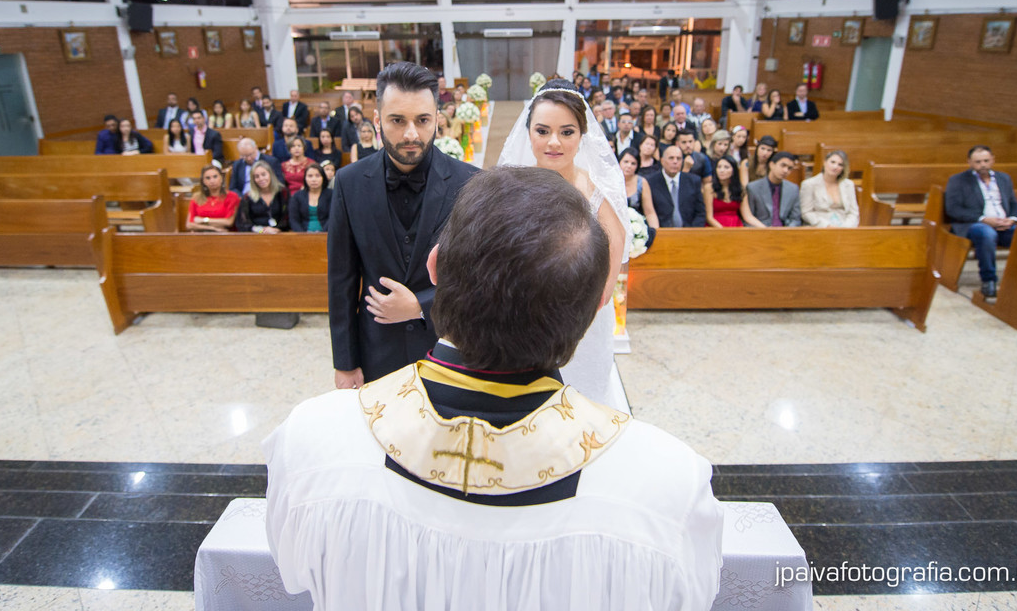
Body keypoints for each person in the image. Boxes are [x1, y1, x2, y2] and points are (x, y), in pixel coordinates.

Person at [263, 167, 724, 610]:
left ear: (435, 267)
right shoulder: (667, 490)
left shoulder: (311, 441)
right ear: (589, 313)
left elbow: (292, 573)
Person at [327, 62, 479, 389]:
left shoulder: (470, 182)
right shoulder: (349, 182)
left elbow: (476, 277)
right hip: (377, 350)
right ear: (377, 121)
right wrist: (345, 362)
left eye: (422, 120)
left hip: (448, 349)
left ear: (437, 119)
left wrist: (420, 306)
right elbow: (341, 279)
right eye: (398, 120)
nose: (411, 134)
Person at [497, 78, 631, 409]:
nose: (553, 142)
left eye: (566, 132)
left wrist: (585, 308)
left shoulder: (596, 190)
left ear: (581, 134)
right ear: (528, 133)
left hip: (582, 321)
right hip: (524, 319)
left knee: (582, 402)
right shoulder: (510, 187)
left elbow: (615, 248)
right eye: (542, 131)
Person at [943, 145, 1017, 298]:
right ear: (969, 162)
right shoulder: (958, 180)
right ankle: (989, 281)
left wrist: (1011, 219)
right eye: (978, 162)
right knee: (986, 234)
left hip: (1003, 224)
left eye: (986, 160)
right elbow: (953, 209)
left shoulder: (1004, 178)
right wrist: (984, 219)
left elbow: (1013, 203)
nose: (982, 165)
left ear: (992, 160)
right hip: (973, 224)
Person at [647, 145, 705, 227]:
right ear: (662, 161)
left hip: (689, 233)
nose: (675, 162)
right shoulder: (651, 182)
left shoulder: (693, 181)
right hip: (662, 234)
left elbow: (700, 213)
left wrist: (693, 233)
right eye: (671, 158)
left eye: (678, 158)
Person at [800, 149, 859, 228]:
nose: (835, 167)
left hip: (844, 226)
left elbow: (853, 212)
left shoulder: (848, 184)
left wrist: (847, 227)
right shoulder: (809, 184)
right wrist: (826, 225)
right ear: (825, 162)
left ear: (843, 168)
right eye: (832, 162)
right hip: (819, 227)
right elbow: (806, 212)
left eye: (840, 165)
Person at [746, 151, 801, 227]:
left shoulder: (793, 189)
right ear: (771, 165)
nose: (785, 170)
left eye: (789, 168)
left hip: (785, 232)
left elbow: (795, 219)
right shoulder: (753, 188)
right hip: (761, 231)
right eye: (783, 165)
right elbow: (748, 219)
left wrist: (787, 232)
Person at [706, 156, 760, 228]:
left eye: (726, 167)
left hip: (736, 226)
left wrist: (766, 228)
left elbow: (747, 216)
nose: (721, 170)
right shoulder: (709, 188)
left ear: (733, 170)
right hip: (716, 227)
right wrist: (724, 231)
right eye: (719, 167)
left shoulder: (740, 189)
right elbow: (709, 217)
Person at [235, 161, 289, 233]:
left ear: (270, 174)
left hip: (279, 233)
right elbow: (242, 222)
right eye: (257, 176)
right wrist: (260, 230)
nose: (261, 179)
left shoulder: (283, 192)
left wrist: (277, 229)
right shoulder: (247, 197)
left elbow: (288, 216)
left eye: (264, 174)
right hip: (255, 235)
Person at [186, 165, 239, 232]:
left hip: (224, 235)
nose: (212, 181)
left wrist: (203, 220)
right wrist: (214, 228)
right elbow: (189, 224)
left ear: (221, 178)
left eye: (215, 177)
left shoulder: (232, 196)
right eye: (208, 178)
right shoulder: (196, 197)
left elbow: (228, 222)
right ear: (203, 181)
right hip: (201, 234)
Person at [619, 148, 659, 229]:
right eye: (626, 162)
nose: (629, 166)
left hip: (636, 227)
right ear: (619, 162)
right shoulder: (610, 181)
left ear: (637, 166)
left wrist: (656, 232)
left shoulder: (642, 182)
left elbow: (649, 213)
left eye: (633, 163)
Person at [287, 164, 332, 232]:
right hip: (302, 236)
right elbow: (294, 220)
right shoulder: (297, 196)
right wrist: (303, 236)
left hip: (327, 234)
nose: (314, 179)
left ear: (323, 177)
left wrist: (323, 234)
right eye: (310, 176)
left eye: (317, 176)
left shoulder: (332, 194)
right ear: (305, 178)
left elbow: (333, 218)